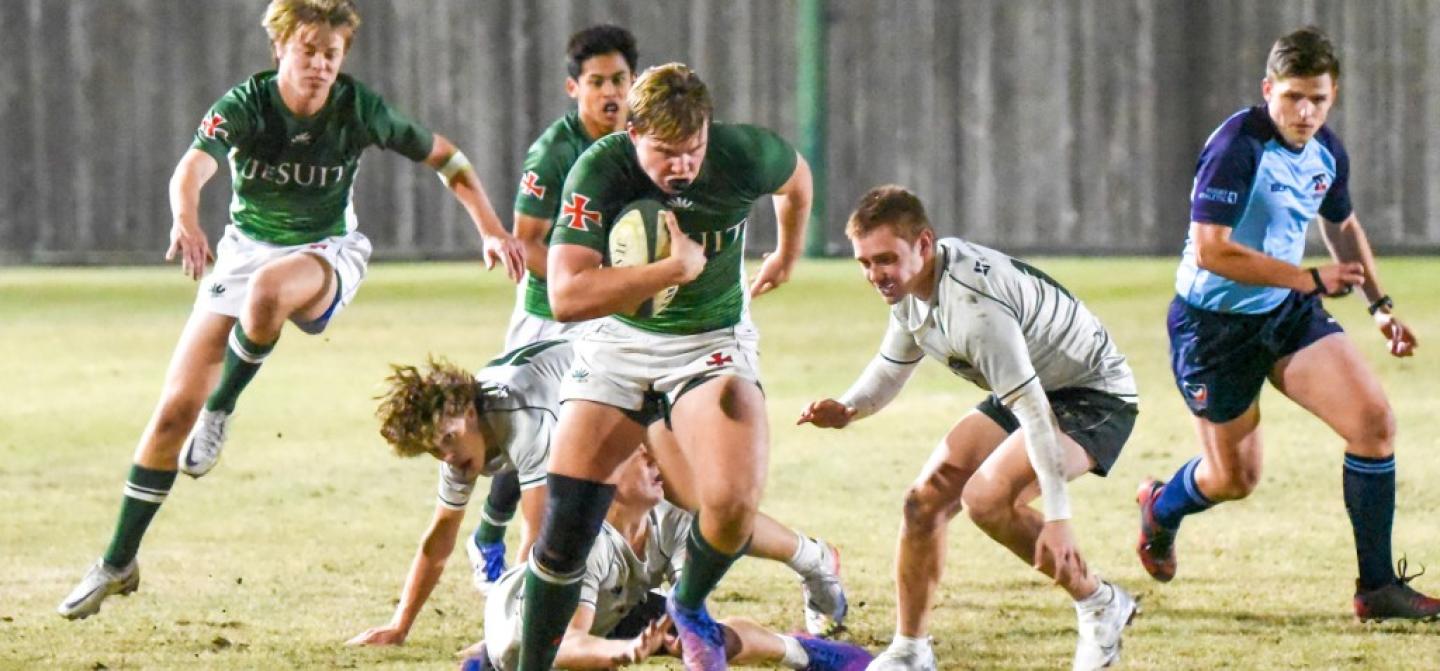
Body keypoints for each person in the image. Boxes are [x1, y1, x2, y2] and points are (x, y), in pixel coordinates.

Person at [57, 0, 522, 621]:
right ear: (279, 49)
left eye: (331, 54)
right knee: (171, 413)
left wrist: (490, 228)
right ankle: (118, 562)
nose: (320, 64)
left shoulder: (358, 109)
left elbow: (447, 158)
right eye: (308, 50)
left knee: (271, 292)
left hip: (327, 253)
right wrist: (185, 220)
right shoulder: (246, 105)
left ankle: (222, 409)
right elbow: (193, 167)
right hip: (244, 251)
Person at [1136, 26, 1439, 620]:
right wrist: (1308, 278)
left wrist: (1380, 308)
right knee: (1234, 478)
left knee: (1374, 424)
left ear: (1333, 97)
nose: (1304, 111)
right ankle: (1160, 508)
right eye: (1293, 96)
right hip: (1214, 328)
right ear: (1268, 89)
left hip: (1284, 311)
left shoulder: (1326, 150)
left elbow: (1342, 225)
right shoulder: (1238, 147)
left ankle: (1376, 589)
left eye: (1318, 99)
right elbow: (1211, 252)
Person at [518, 63, 814, 671]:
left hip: (711, 341)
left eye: (693, 149)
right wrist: (673, 271)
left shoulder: (743, 153)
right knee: (563, 531)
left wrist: (787, 250)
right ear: (632, 134)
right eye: (665, 153)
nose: (682, 165)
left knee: (729, 505)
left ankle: (688, 602)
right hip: (619, 343)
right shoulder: (600, 168)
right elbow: (566, 296)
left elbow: (798, 180)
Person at [799, 186, 1140, 671]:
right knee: (924, 502)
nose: (876, 275)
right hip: (1031, 384)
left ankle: (1100, 603)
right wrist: (849, 407)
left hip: (1093, 394)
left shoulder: (975, 310)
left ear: (923, 243)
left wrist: (1059, 520)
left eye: (884, 260)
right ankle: (912, 650)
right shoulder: (915, 285)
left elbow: (1037, 414)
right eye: (864, 263)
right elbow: (892, 364)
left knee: (988, 499)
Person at [347, 340, 845, 647]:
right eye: (432, 452)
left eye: (448, 442)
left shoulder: (521, 418)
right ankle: (673, 594)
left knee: (691, 502)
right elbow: (440, 537)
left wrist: (510, 634)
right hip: (596, 400)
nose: (447, 458)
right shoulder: (460, 440)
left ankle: (815, 559)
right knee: (652, 517)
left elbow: (542, 538)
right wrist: (400, 623)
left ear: (468, 410)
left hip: (632, 380)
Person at [465, 24, 639, 596]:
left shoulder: (644, 142)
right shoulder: (555, 151)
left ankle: (602, 559)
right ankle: (491, 533)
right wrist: (583, 282)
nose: (609, 92)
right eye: (596, 82)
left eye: (618, 79)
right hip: (548, 313)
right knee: (528, 429)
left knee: (592, 432)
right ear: (573, 88)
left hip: (609, 310)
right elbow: (527, 241)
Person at [464, 448, 871, 671]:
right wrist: (623, 652)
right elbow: (564, 646)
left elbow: (692, 610)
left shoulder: (670, 517)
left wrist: (692, 642)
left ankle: (805, 652)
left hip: (612, 612)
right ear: (607, 474)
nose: (657, 462)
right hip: (527, 641)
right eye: (642, 456)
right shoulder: (587, 546)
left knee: (708, 635)